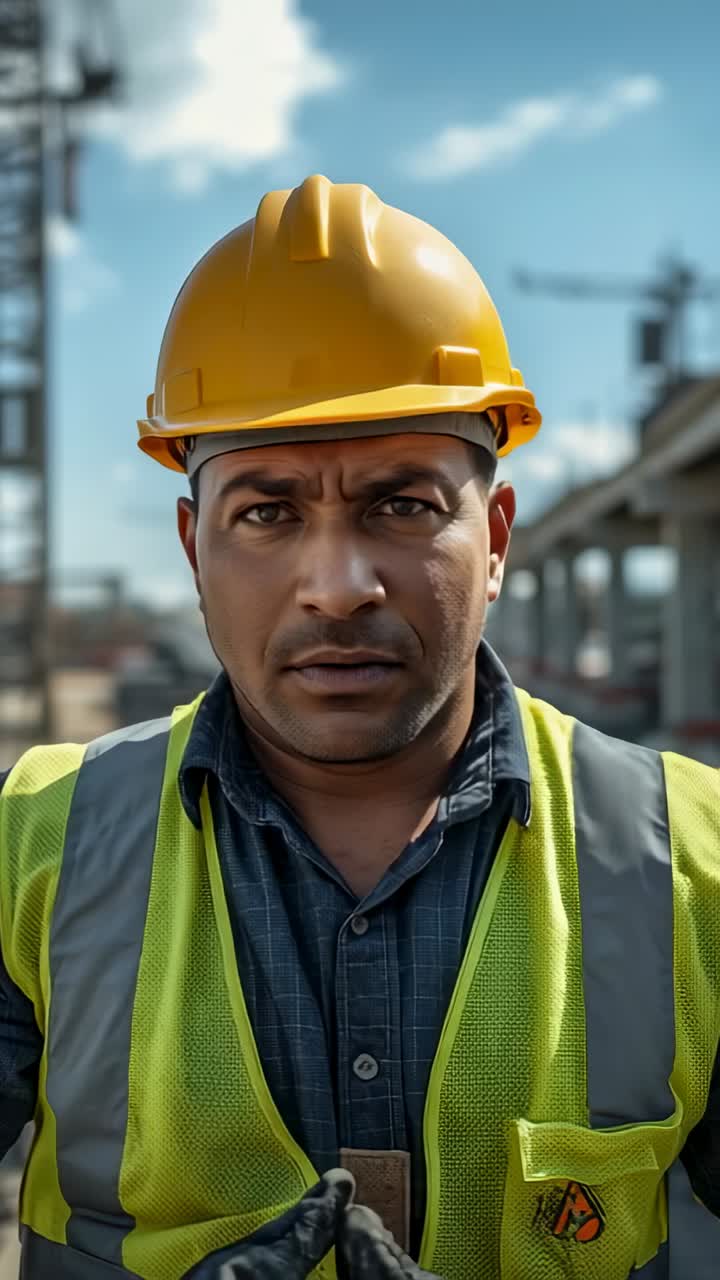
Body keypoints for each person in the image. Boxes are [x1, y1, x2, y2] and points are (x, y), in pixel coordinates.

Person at [0, 174, 719, 1280]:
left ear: (496, 539)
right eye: (267, 511)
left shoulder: (696, 863)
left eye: (403, 504)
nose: (337, 586)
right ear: (194, 547)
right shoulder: (33, 845)